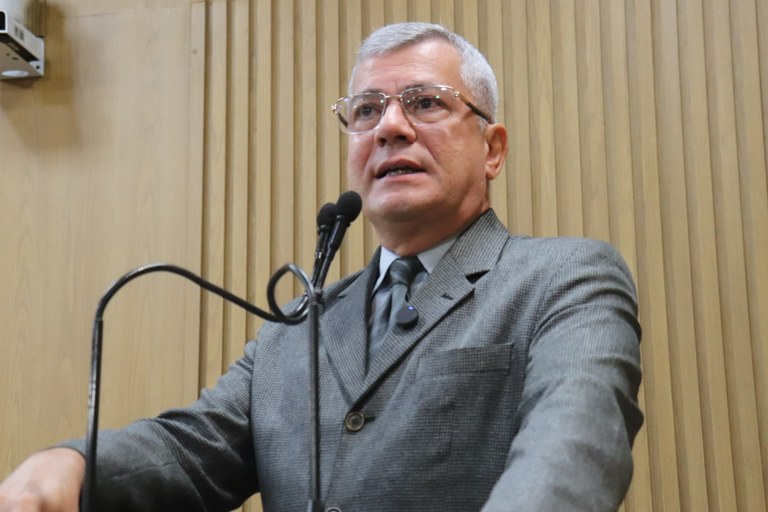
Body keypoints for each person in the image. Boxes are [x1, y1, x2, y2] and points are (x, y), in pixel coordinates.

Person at [0, 22, 643, 512]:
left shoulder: (565, 279)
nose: (389, 127)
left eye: (425, 102)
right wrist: (71, 466)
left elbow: (572, 450)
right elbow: (193, 449)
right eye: (366, 110)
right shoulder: (296, 326)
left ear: (492, 149)